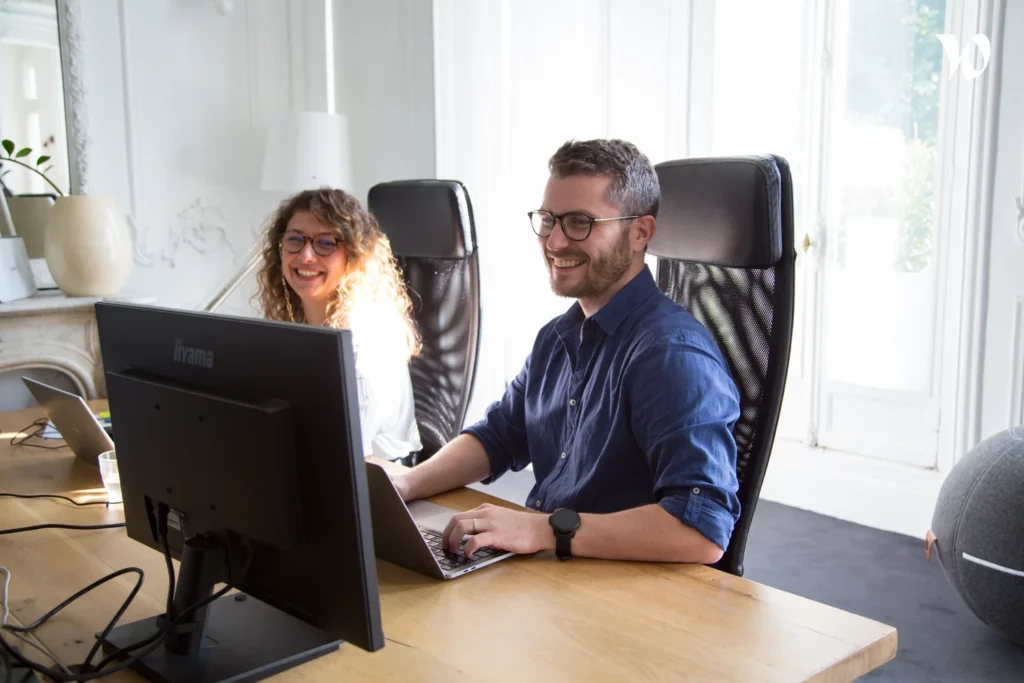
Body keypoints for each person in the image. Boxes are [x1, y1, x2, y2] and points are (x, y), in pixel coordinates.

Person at [392, 139, 741, 564]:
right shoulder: (558, 336)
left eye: (580, 222)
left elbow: (702, 530)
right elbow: (500, 436)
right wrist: (406, 484)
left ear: (640, 233)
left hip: (618, 595)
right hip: (554, 572)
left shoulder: (671, 355)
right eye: (548, 219)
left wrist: (543, 529)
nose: (555, 242)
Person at [255, 188, 423, 461]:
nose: (306, 255)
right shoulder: (297, 319)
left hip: (380, 480)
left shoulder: (367, 332)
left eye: (326, 243)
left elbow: (347, 449)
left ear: (356, 254)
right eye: (295, 239)